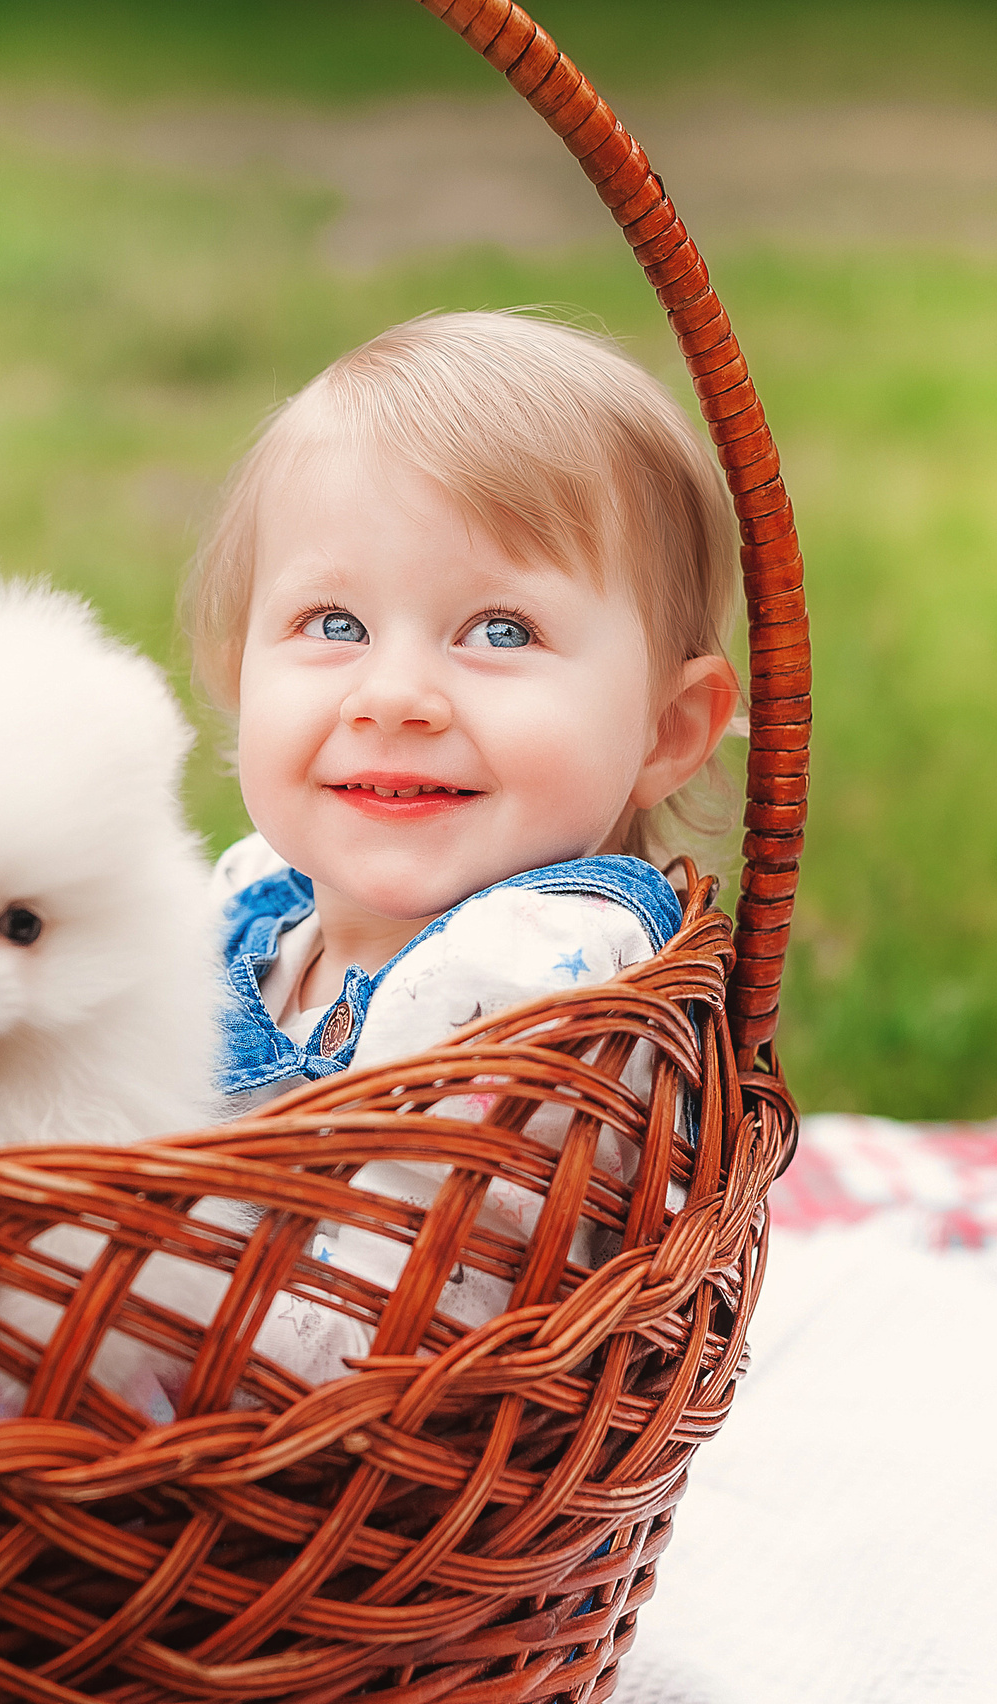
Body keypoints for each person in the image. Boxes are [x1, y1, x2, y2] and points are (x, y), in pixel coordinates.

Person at [184, 308, 741, 1382]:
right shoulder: (256, 903)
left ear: (666, 730)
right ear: (237, 671)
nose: (394, 695)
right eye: (335, 624)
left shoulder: (538, 979)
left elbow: (362, 1340)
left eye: (500, 631)